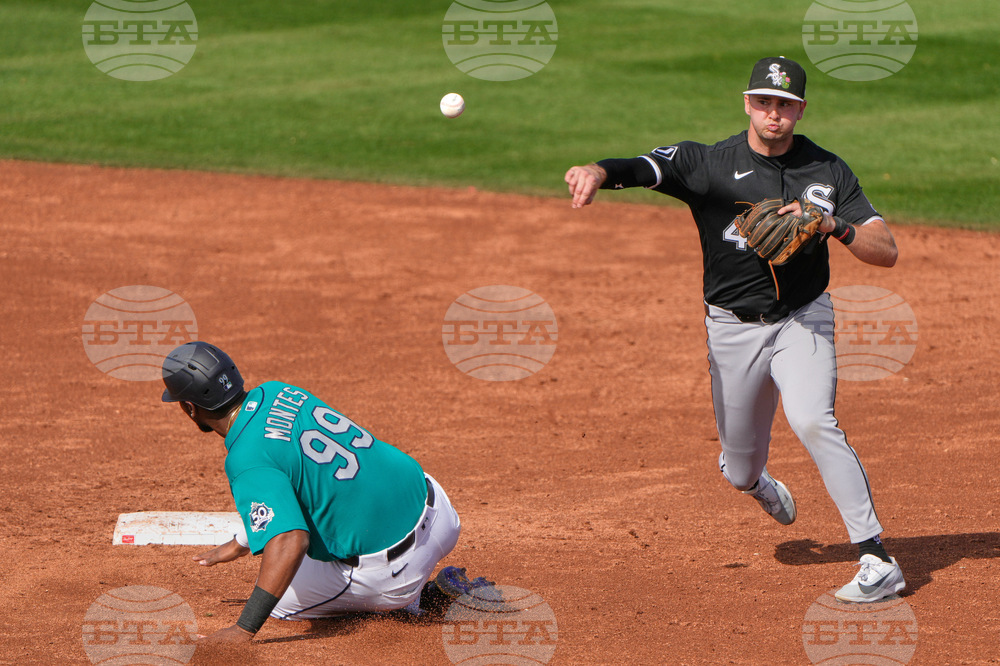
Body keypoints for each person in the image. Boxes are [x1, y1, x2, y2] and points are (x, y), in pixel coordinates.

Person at [564, 56, 905, 602]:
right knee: (740, 468)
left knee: (813, 419)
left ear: (800, 109)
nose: (775, 114)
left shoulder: (829, 170)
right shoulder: (709, 164)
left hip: (803, 318)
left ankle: (875, 555)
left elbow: (885, 251)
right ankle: (755, 482)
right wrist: (598, 172)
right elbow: (642, 167)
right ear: (748, 102)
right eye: (764, 102)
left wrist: (832, 224)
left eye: (785, 104)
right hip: (732, 330)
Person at [160, 341, 491, 643]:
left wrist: (242, 629)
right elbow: (306, 475)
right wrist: (244, 540)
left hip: (396, 569)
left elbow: (291, 540)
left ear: (190, 408)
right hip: (440, 511)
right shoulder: (278, 391)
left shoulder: (245, 459)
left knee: (281, 601)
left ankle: (419, 599)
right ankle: (412, 585)